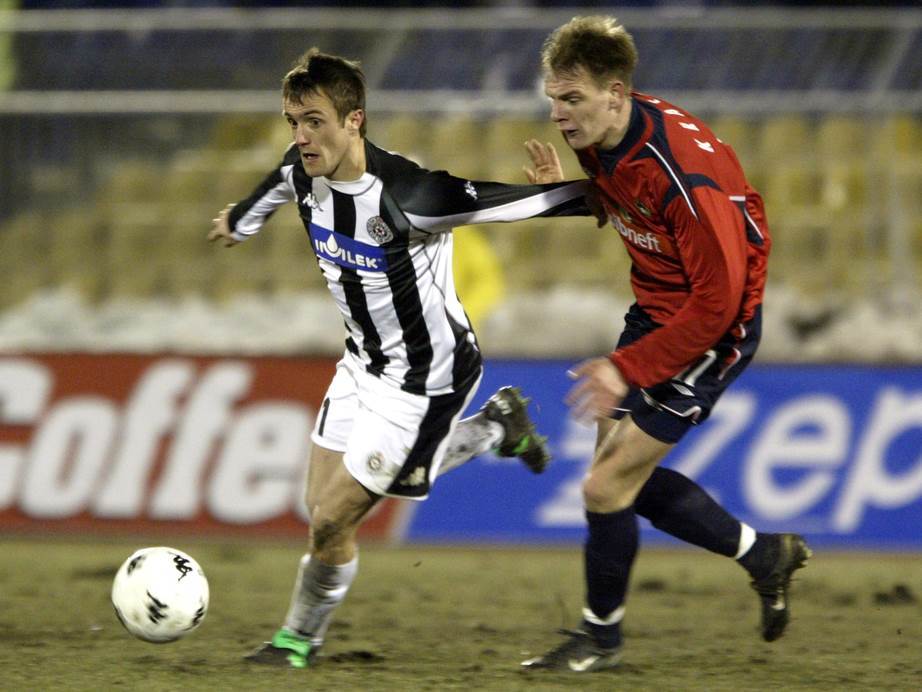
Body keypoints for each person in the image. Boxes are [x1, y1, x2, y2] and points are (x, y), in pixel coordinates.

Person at [207, 48, 589, 669]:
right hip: (363, 362)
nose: (301, 138)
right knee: (320, 510)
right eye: (292, 122)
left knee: (336, 518)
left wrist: (563, 194)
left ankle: (296, 642)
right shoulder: (303, 170)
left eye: (314, 122)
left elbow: (513, 203)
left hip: (427, 377)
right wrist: (240, 223)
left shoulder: (412, 195)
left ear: (354, 120)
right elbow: (275, 185)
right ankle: (498, 425)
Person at [519, 16, 811, 673]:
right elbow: (624, 204)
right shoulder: (604, 138)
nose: (560, 117)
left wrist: (627, 368)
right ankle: (764, 555)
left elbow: (718, 304)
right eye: (553, 100)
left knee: (604, 484)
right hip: (658, 310)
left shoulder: (686, 174)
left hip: (715, 329)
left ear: (616, 93)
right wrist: (565, 197)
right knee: (617, 480)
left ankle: (601, 641)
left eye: (573, 100)